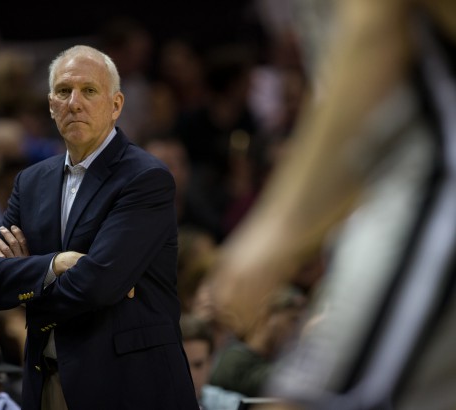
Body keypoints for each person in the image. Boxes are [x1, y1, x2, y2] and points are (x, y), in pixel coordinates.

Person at [211, 0, 456, 409]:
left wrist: (279, 228)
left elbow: (375, 31)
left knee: (304, 401)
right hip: (401, 183)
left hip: (432, 181)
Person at [0, 45, 198, 410]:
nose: (74, 103)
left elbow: (98, 285)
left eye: (89, 90)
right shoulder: (31, 182)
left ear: (116, 105)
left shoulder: (145, 177)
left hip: (129, 387)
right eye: (64, 91)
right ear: (51, 105)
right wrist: (56, 264)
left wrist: (27, 283)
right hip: (47, 381)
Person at [209, 285, 307, 398]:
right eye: (293, 320)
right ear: (268, 316)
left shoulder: (271, 361)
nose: (298, 330)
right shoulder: (233, 359)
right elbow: (269, 382)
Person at [180, 313, 244, 410]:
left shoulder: (231, 404)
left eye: (198, 365)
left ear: (210, 362)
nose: (191, 375)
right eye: (183, 366)